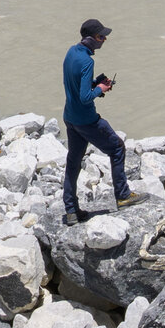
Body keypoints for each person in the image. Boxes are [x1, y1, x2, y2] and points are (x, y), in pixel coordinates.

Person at [61, 17, 134, 220]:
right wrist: (100, 88)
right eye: (101, 36)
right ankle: (123, 196)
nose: (104, 40)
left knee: (73, 161)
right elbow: (85, 98)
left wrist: (95, 84)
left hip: (70, 117)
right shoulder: (87, 61)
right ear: (90, 39)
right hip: (86, 120)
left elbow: (75, 86)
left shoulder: (71, 52)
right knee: (117, 148)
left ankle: (71, 210)